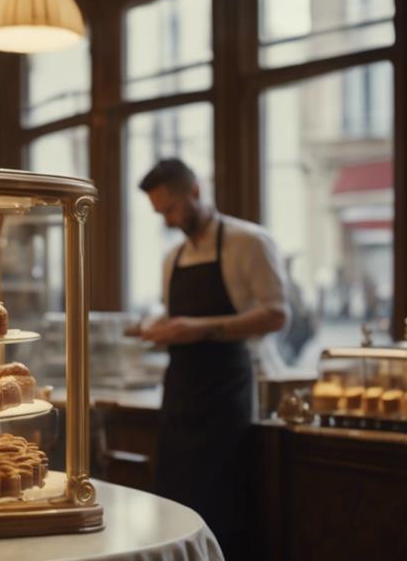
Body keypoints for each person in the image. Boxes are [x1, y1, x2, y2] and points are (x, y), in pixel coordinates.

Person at [137, 159, 289, 559]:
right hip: (181, 392)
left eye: (171, 209)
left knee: (222, 503)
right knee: (172, 502)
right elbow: (178, 319)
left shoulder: (249, 241)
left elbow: (277, 314)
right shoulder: (172, 258)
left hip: (227, 392)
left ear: (196, 192)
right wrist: (159, 326)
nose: (168, 220)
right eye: (160, 213)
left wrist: (201, 327)